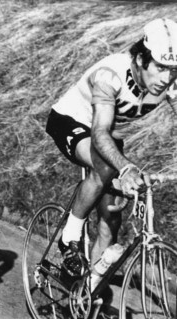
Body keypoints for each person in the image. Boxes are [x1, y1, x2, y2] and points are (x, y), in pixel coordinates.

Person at [45, 18, 177, 275]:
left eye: (173, 70)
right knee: (106, 167)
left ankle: (87, 293)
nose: (166, 78)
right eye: (160, 67)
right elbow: (99, 132)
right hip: (71, 122)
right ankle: (68, 236)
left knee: (111, 219)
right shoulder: (111, 74)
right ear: (141, 59)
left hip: (107, 138)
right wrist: (125, 169)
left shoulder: (171, 81)